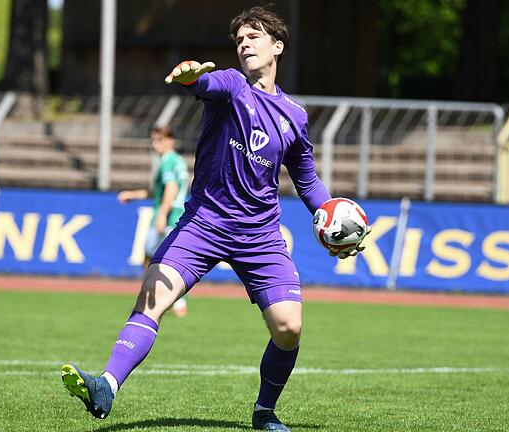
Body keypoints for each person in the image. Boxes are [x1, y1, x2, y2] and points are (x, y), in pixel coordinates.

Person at [61, 6, 368, 431]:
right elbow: (201, 82)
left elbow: (306, 180)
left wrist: (334, 217)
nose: (244, 44)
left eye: (254, 36)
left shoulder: (295, 117)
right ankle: (107, 385)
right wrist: (190, 76)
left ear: (277, 46)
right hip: (202, 223)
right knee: (151, 297)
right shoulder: (229, 84)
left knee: (289, 327)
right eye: (240, 39)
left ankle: (264, 412)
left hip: (259, 234)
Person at [117, 126, 190, 317]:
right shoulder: (179, 161)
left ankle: (155, 299)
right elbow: (158, 191)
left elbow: (171, 188)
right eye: (154, 140)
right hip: (178, 213)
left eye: (159, 140)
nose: (155, 144)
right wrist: (132, 194)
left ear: (170, 141)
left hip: (168, 215)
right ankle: (174, 301)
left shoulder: (167, 162)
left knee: (150, 258)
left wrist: (161, 214)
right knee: (167, 260)